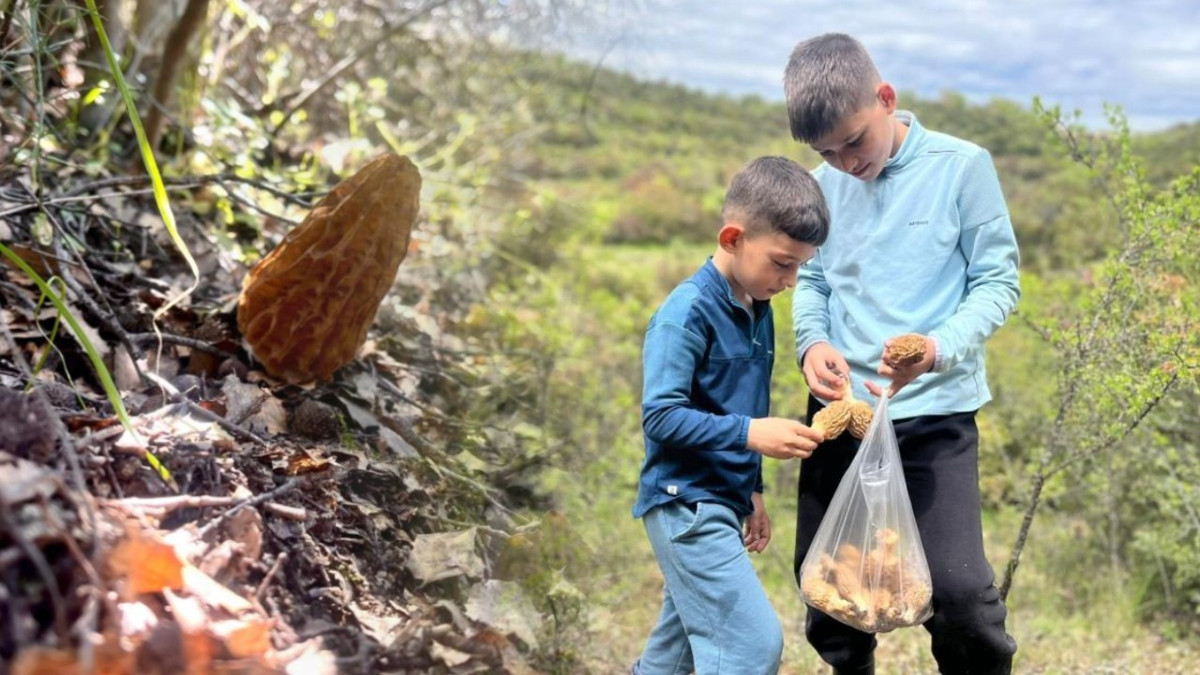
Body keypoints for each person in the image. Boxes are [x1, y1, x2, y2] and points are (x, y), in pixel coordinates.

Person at [784, 33, 1021, 675]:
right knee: (827, 587)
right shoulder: (820, 186)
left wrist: (938, 350)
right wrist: (814, 343)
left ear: (885, 99)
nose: (844, 164)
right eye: (825, 152)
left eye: (854, 141)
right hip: (843, 412)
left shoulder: (962, 167)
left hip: (935, 414)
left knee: (962, 594)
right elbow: (813, 279)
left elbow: (999, 282)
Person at [631, 156, 830, 675]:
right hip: (685, 505)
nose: (790, 281)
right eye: (782, 262)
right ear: (732, 237)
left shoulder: (757, 307)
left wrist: (753, 491)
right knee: (750, 646)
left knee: (671, 657)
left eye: (800, 267)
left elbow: (743, 407)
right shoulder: (686, 313)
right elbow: (661, 417)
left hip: (722, 500)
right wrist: (751, 435)